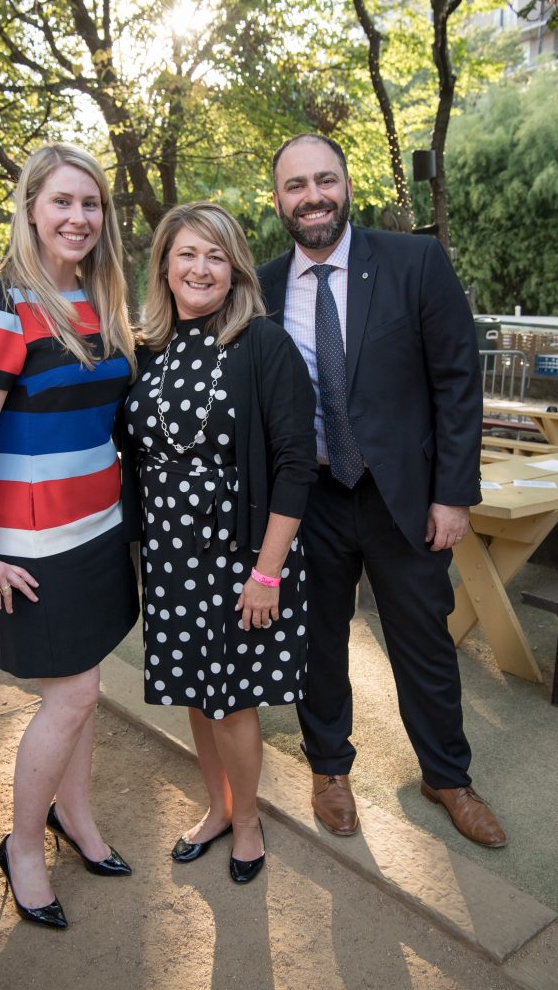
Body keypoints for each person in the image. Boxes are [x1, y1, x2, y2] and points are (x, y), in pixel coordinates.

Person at [257, 134, 506, 849]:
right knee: (317, 645)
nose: (311, 196)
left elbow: (457, 383)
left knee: (423, 643)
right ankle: (329, 769)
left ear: (346, 185)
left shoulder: (413, 262)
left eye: (324, 180)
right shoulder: (262, 285)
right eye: (295, 185)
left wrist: (452, 495)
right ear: (277, 199)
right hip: (310, 500)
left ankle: (446, 777)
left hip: (404, 498)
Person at [0, 143, 140, 929]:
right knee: (76, 695)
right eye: (62, 202)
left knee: (84, 692)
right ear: (30, 207)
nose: (78, 217)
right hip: (31, 546)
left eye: (90, 204)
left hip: (98, 531)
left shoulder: (100, 302)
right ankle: (23, 845)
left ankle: (76, 817)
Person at [124, 202, 317, 883]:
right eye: (186, 254)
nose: (200, 268)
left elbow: (295, 463)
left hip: (240, 557)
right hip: (170, 557)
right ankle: (215, 807)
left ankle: (247, 821)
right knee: (192, 694)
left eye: (215, 254)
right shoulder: (146, 346)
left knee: (230, 700)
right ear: (165, 266)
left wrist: (267, 573)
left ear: (233, 266)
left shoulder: (262, 344)